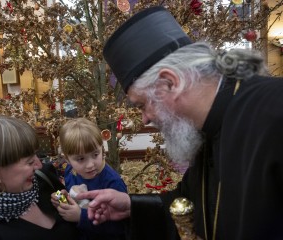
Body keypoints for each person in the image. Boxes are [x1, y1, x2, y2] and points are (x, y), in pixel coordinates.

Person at [76, 6, 283, 240]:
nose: (144, 118)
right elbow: (188, 205)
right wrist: (131, 205)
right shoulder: (205, 131)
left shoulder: (275, 112)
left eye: (142, 104)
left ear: (170, 82)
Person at [51, 118, 128, 240]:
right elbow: (74, 195)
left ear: (102, 148)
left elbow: (120, 228)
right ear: (67, 159)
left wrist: (81, 217)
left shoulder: (113, 182)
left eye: (95, 154)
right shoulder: (70, 171)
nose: (90, 164)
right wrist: (62, 198)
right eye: (81, 159)